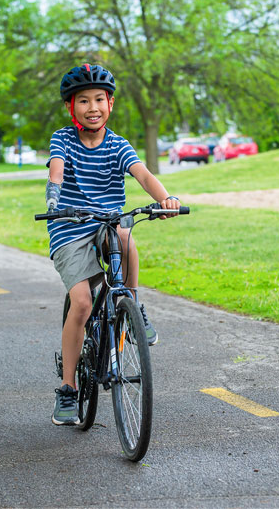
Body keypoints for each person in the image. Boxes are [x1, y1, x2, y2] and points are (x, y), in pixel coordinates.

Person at [46, 63, 180, 425]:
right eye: (84, 101)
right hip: (70, 227)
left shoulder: (118, 144)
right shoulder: (63, 139)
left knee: (125, 231)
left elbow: (143, 174)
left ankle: (131, 301)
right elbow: (56, 169)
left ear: (111, 103)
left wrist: (166, 199)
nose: (92, 107)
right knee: (83, 302)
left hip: (107, 223)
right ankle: (68, 389)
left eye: (99, 100)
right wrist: (54, 199)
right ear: (71, 108)